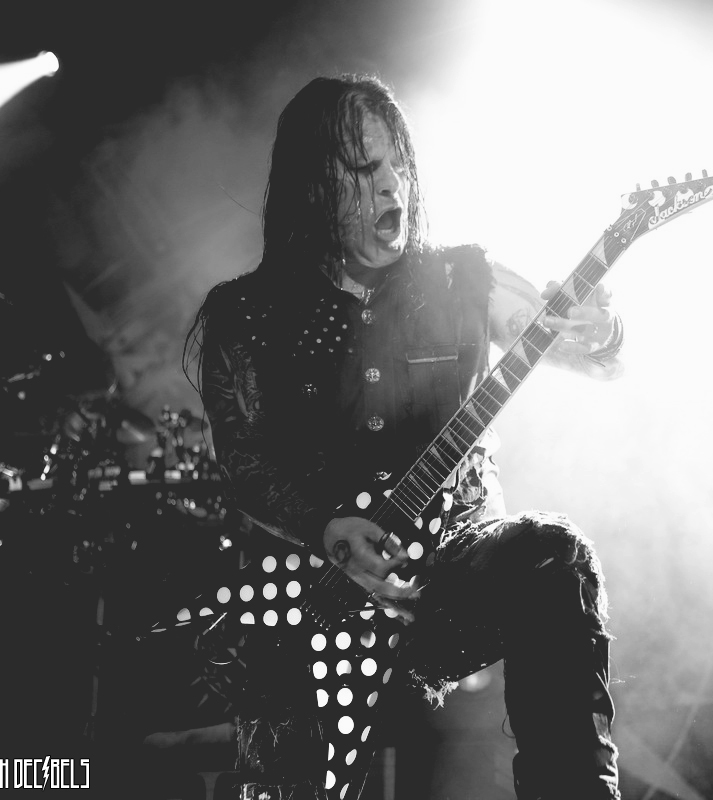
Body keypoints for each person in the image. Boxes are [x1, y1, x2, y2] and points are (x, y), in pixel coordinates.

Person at [186, 73, 624, 800]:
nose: (392, 185)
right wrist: (322, 526)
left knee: (554, 558)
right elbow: (243, 463)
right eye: (363, 169)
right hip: (313, 597)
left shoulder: (465, 280)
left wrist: (601, 329)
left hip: (446, 577)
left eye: (397, 164)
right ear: (310, 186)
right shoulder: (247, 315)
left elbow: (589, 352)